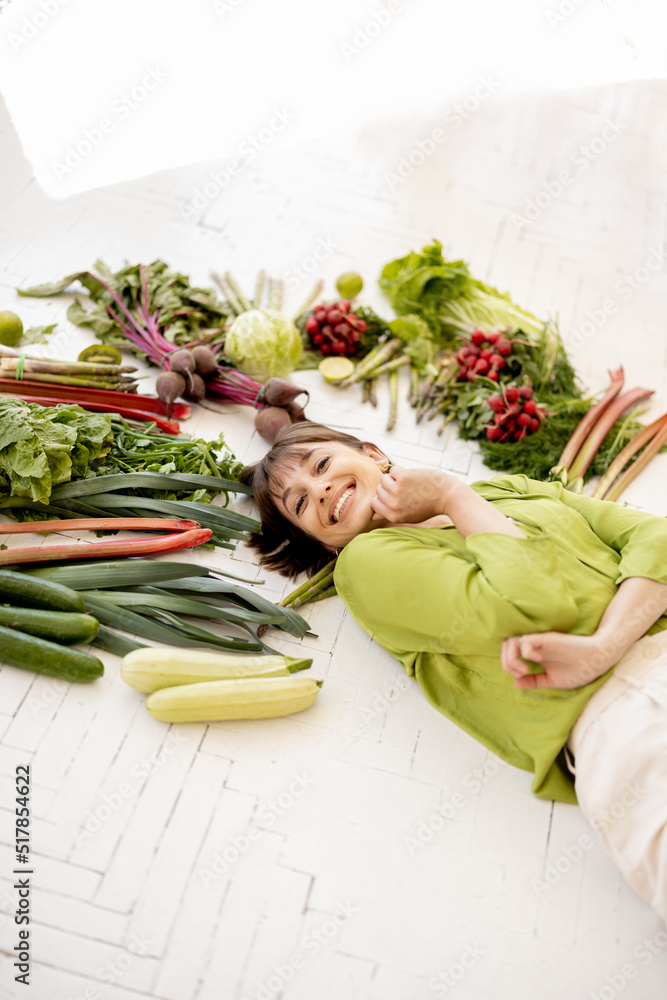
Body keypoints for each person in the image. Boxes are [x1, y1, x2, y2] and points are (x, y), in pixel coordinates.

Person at [239, 422, 667, 922]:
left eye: (322, 465)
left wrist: (604, 644)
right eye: (300, 504)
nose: (321, 489)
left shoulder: (499, 492)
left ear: (374, 455)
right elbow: (537, 608)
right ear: (322, 543)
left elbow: (655, 536)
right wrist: (448, 495)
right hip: (627, 716)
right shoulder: (367, 564)